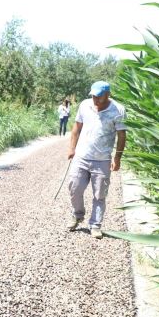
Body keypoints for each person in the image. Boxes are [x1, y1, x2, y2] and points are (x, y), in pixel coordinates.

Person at [67, 81, 127, 239]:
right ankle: (77, 215)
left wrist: (117, 157)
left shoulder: (118, 110)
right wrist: (72, 149)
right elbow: (76, 128)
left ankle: (95, 225)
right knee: (74, 188)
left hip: (102, 160)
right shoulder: (85, 105)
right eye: (93, 95)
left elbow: (122, 135)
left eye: (99, 97)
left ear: (108, 95)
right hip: (81, 157)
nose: (95, 99)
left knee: (100, 194)